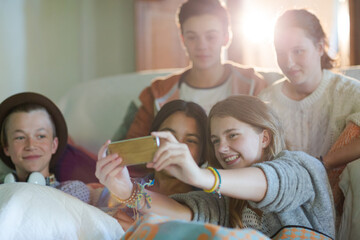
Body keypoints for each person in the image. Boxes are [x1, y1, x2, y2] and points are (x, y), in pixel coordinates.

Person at [96, 95, 335, 238]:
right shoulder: (224, 200)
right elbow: (184, 213)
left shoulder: (302, 168)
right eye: (215, 140)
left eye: (232, 136)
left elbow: (274, 182)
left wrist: (200, 176)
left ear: (264, 138)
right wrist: (127, 190)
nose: (221, 148)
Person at [120, 0, 267, 140]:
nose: (201, 45)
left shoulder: (253, 85)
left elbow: (268, 145)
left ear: (226, 37)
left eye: (210, 37)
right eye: (192, 37)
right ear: (183, 40)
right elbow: (134, 152)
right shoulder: (158, 92)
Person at [259, 9, 360, 170]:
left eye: (298, 51)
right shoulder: (265, 101)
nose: (289, 63)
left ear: (320, 47)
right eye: (281, 53)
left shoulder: (351, 93)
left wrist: (325, 162)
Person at [0, 92, 90, 203]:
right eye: (20, 137)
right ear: (6, 148)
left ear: (54, 145)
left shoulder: (73, 190)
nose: (31, 145)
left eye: (41, 136)